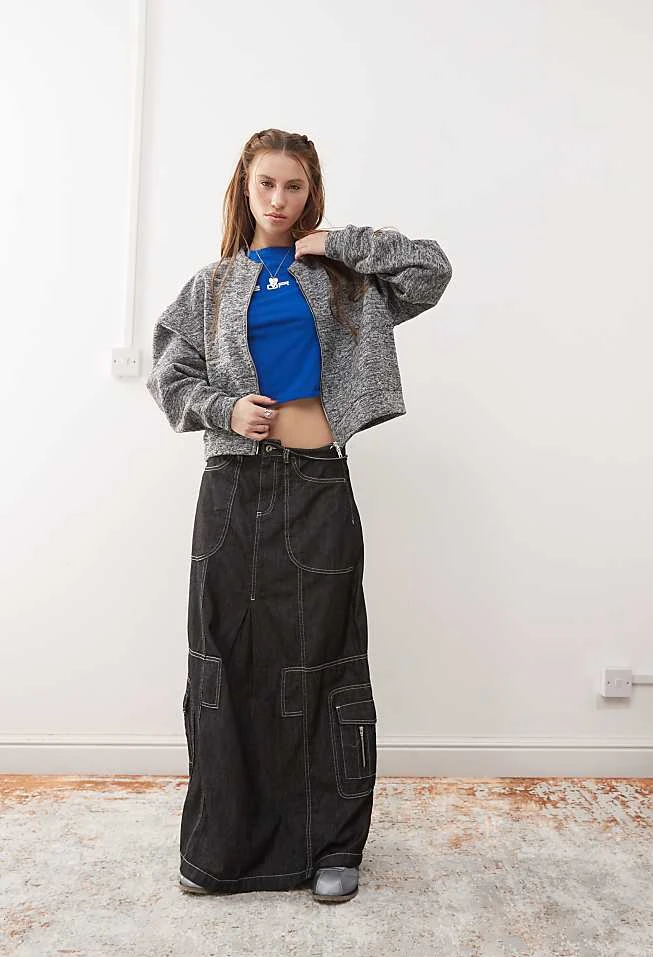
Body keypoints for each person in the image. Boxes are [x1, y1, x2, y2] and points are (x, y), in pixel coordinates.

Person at [146, 128, 452, 902]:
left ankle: (332, 846)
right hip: (232, 488)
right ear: (244, 189)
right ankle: (222, 849)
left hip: (318, 483)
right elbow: (168, 373)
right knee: (225, 663)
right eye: (266, 184)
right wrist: (224, 407)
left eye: (293, 186)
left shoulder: (342, 278)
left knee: (326, 661)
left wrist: (340, 241)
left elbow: (430, 271)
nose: (278, 199)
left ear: (311, 192)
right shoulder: (211, 286)